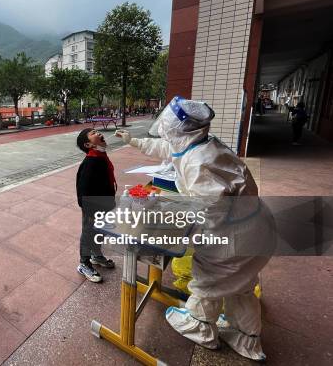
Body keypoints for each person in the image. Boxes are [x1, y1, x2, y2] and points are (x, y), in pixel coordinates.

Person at [116, 96, 274, 361]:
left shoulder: (199, 162)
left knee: (208, 282)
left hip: (235, 237)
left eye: (166, 126)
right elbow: (166, 148)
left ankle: (202, 329)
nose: (164, 132)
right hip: (256, 228)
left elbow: (209, 210)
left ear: (178, 128)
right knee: (241, 287)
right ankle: (247, 339)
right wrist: (133, 140)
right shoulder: (199, 144)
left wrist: (164, 215)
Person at [75, 128, 117, 283]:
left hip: (104, 203)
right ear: (88, 144)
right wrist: (89, 211)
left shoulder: (101, 156)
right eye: (93, 133)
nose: (98, 133)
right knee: (88, 233)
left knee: (100, 231)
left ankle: (96, 255)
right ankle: (83, 263)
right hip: (92, 208)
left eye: (97, 131)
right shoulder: (90, 163)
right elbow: (83, 190)